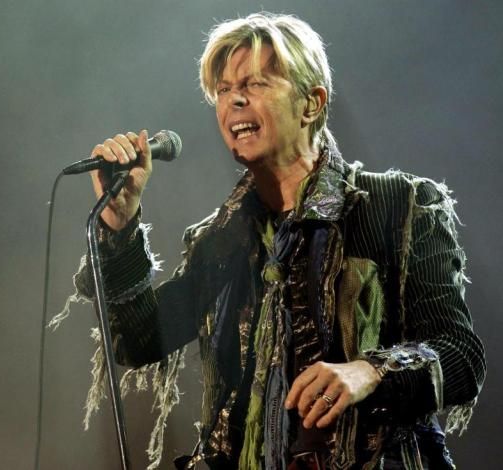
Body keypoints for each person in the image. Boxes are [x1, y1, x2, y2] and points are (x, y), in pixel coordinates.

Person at [57, 13, 486, 470]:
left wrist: (371, 371)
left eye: (256, 84)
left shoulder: (397, 206)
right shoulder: (219, 241)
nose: (235, 99)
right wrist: (119, 224)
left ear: (312, 104)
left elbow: (462, 354)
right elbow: (139, 341)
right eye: (223, 89)